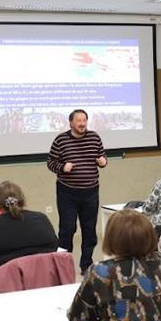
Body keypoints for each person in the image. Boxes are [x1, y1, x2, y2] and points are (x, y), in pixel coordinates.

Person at [47, 109, 108, 271]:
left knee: (89, 231)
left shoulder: (94, 137)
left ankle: (86, 264)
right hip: (67, 192)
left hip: (91, 191)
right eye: (78, 121)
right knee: (67, 230)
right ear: (71, 123)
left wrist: (103, 162)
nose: (82, 124)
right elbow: (50, 163)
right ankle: (64, 267)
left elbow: (102, 158)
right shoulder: (61, 140)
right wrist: (62, 167)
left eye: (84, 121)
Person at [0, 181, 59, 277]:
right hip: (44, 280)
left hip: (6, 286)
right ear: (23, 200)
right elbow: (54, 246)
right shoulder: (41, 219)